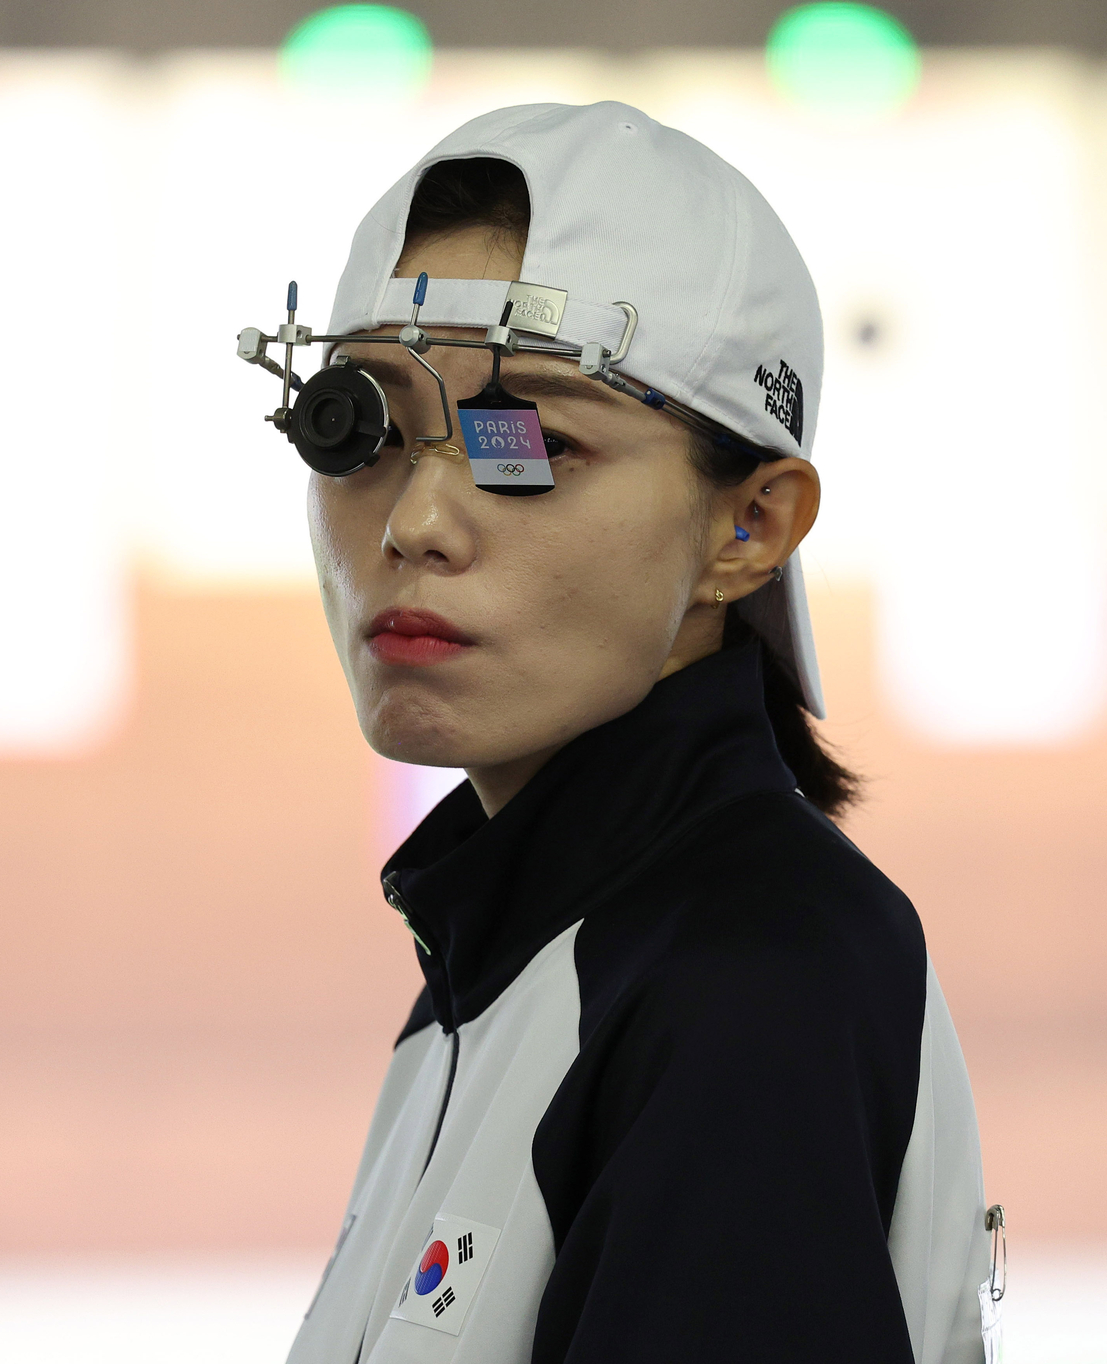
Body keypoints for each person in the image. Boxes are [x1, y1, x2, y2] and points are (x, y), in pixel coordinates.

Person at [280, 102, 990, 1364]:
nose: (416, 521)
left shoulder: (748, 975)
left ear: (749, 527)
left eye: (528, 442)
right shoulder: (509, 950)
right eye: (363, 428)